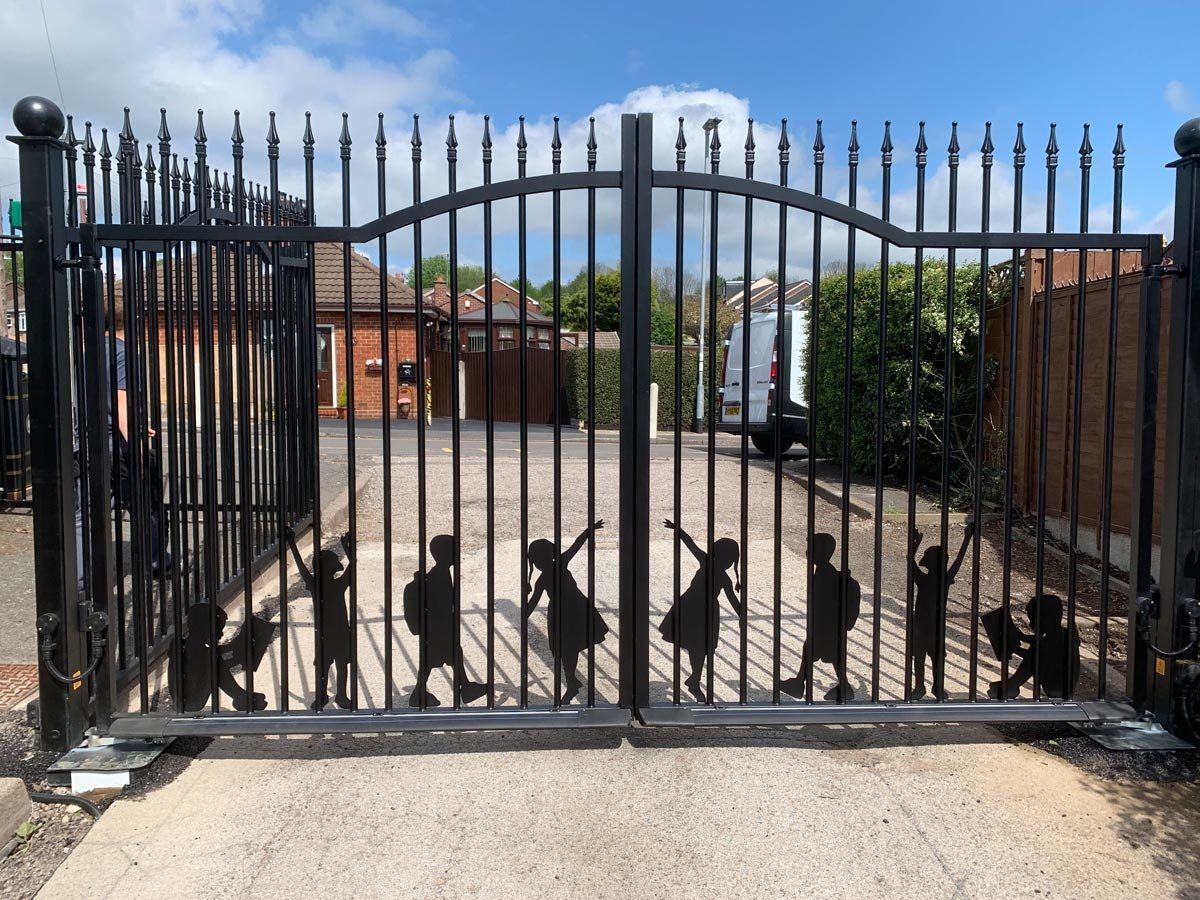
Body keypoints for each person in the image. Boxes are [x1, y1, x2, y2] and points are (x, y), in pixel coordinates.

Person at [524, 520, 609, 705]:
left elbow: (532, 603)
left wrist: (523, 618)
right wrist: (589, 530)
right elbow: (576, 545)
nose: (538, 564)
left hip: (564, 614)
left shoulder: (544, 577)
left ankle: (571, 681)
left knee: (567, 650)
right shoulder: (560, 563)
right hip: (574, 610)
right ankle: (571, 681)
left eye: (537, 560)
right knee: (569, 649)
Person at [658, 519, 742, 704]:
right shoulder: (720, 574)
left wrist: (678, 529)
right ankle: (695, 680)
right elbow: (734, 602)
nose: (727, 563)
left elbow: (690, 544)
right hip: (702, 611)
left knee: (699, 648)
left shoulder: (708, 563)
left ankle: (694, 679)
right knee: (699, 647)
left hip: (694, 607)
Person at [402, 534, 487, 707]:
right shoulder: (439, 575)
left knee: (451, 655)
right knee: (432, 660)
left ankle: (465, 687)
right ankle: (419, 694)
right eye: (454, 550)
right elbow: (442, 605)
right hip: (438, 629)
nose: (458, 553)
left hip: (438, 628)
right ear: (445, 553)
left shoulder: (441, 573)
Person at [778, 532, 861, 701]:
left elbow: (823, 603)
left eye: (811, 549)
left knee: (821, 652)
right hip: (828, 626)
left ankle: (805, 685)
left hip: (826, 626)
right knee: (817, 652)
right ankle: (800, 683)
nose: (807, 552)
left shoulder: (824, 573)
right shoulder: (823, 571)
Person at [285, 527, 353, 710]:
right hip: (333, 631)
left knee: (334, 665)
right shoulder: (327, 585)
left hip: (331, 631)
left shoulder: (319, 585)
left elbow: (302, 569)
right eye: (335, 561)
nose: (338, 564)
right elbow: (301, 568)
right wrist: (347, 548)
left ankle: (338, 694)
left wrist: (292, 543)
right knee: (329, 665)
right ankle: (328, 694)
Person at [909, 521, 975, 700]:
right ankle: (934, 687)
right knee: (934, 658)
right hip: (934, 625)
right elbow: (958, 562)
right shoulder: (944, 580)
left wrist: (914, 544)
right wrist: (967, 539)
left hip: (922, 624)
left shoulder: (924, 580)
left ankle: (921, 686)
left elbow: (910, 562)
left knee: (921, 657)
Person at [987, 594, 1080, 699]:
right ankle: (1013, 684)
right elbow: (1041, 643)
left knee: (1034, 654)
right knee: (1035, 651)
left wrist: (1016, 649)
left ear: (1047, 618)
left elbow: (1039, 656)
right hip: (1059, 686)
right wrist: (1022, 637)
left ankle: (1013, 685)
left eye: (1033, 620)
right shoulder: (1062, 634)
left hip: (1057, 689)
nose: (1031, 625)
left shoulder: (1057, 639)